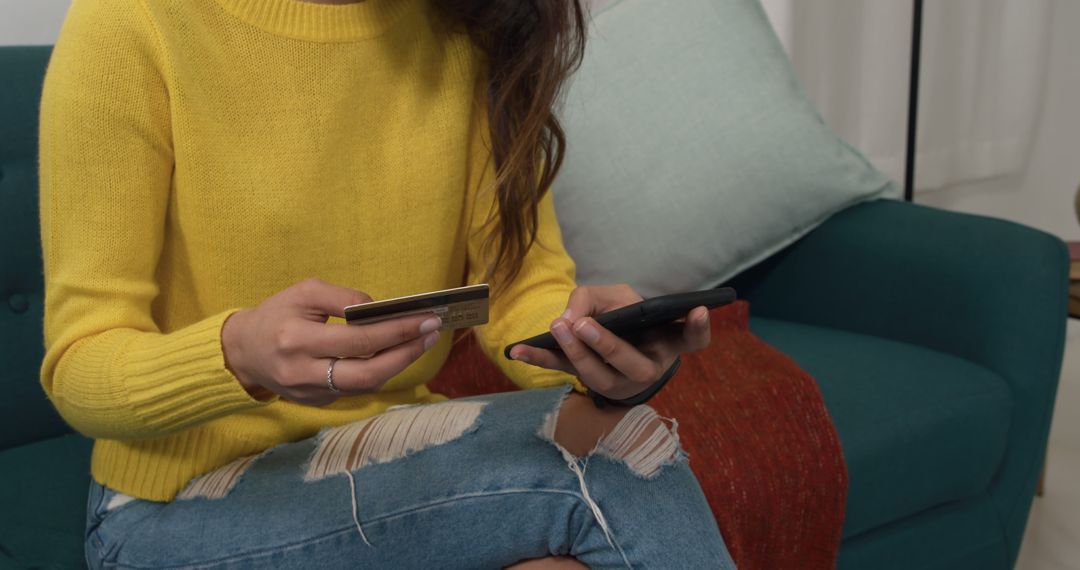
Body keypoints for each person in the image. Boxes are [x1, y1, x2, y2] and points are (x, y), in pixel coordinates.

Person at [39, 0, 735, 567]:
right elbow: (80, 365)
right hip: (175, 505)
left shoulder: (464, 28)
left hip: (390, 454)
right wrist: (237, 353)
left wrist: (588, 345)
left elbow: (519, 287)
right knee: (617, 457)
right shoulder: (130, 24)